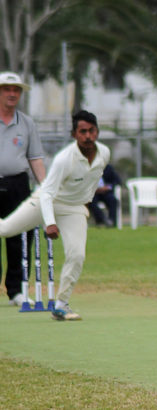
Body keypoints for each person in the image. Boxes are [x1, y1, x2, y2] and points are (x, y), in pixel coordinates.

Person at [0, 110, 110, 321]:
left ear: (97, 132)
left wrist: (85, 202)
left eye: (91, 131)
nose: (88, 136)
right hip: (45, 201)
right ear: (74, 134)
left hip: (74, 207)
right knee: (5, 229)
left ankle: (61, 305)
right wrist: (49, 223)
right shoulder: (64, 159)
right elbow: (48, 193)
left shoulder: (104, 153)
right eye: (82, 131)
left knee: (77, 255)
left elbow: (95, 177)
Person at [0, 71, 46, 307]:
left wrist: (46, 189)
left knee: (19, 236)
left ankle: (16, 290)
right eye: (7, 89)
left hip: (17, 183)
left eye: (15, 90)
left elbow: (35, 158)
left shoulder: (26, 123)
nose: (11, 94)